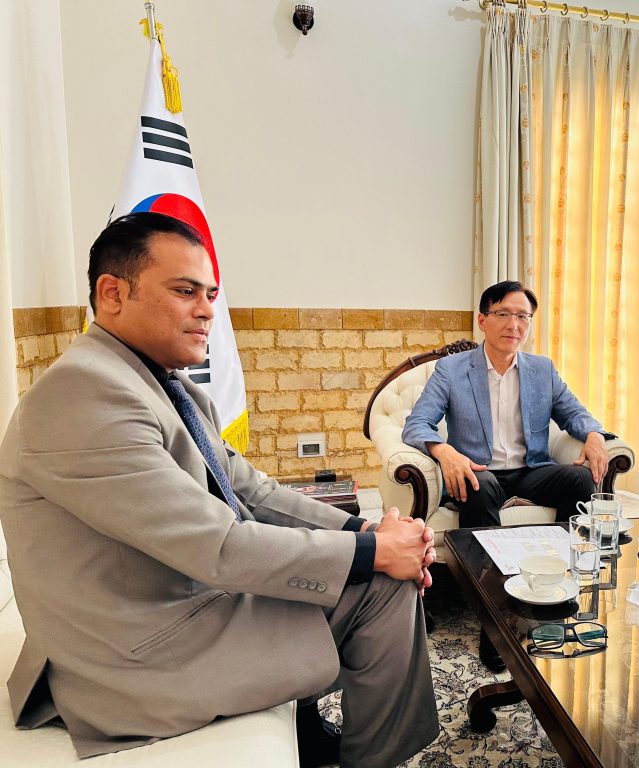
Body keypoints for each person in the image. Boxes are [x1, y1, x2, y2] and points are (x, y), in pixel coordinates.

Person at [0, 213, 439, 768]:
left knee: (350, 569)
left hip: (178, 603)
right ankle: (373, 759)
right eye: (185, 292)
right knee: (384, 588)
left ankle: (313, 740)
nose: (208, 310)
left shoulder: (160, 382)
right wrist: (376, 553)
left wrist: (366, 530)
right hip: (138, 655)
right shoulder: (83, 394)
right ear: (113, 293)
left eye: (210, 294)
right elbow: (220, 546)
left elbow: (252, 492)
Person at [402, 280, 613, 527]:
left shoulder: (542, 369)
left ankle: (564, 549)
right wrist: (445, 452)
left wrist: (594, 434)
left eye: (523, 316)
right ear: (482, 321)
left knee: (581, 479)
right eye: (503, 314)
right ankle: (483, 554)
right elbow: (417, 423)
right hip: (478, 471)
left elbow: (574, 413)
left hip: (531, 472)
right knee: (477, 485)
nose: (513, 325)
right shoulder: (451, 369)